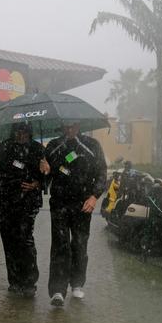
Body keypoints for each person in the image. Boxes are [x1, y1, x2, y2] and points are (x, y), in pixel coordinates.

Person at [41, 119, 107, 306]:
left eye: (73, 125)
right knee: (60, 245)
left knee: (79, 243)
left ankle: (77, 283)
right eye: (66, 126)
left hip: (83, 204)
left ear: (79, 125)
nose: (70, 129)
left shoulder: (92, 145)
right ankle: (57, 290)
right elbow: (45, 178)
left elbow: (102, 173)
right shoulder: (53, 146)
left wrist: (94, 196)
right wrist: (44, 171)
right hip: (59, 203)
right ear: (62, 126)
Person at [0, 121, 45, 296]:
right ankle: (15, 281)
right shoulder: (4, 147)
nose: (21, 136)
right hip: (6, 201)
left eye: (24, 133)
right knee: (9, 241)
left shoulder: (38, 149)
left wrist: (38, 182)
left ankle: (29, 281)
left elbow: (47, 176)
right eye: (18, 132)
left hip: (28, 203)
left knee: (25, 240)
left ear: (29, 133)